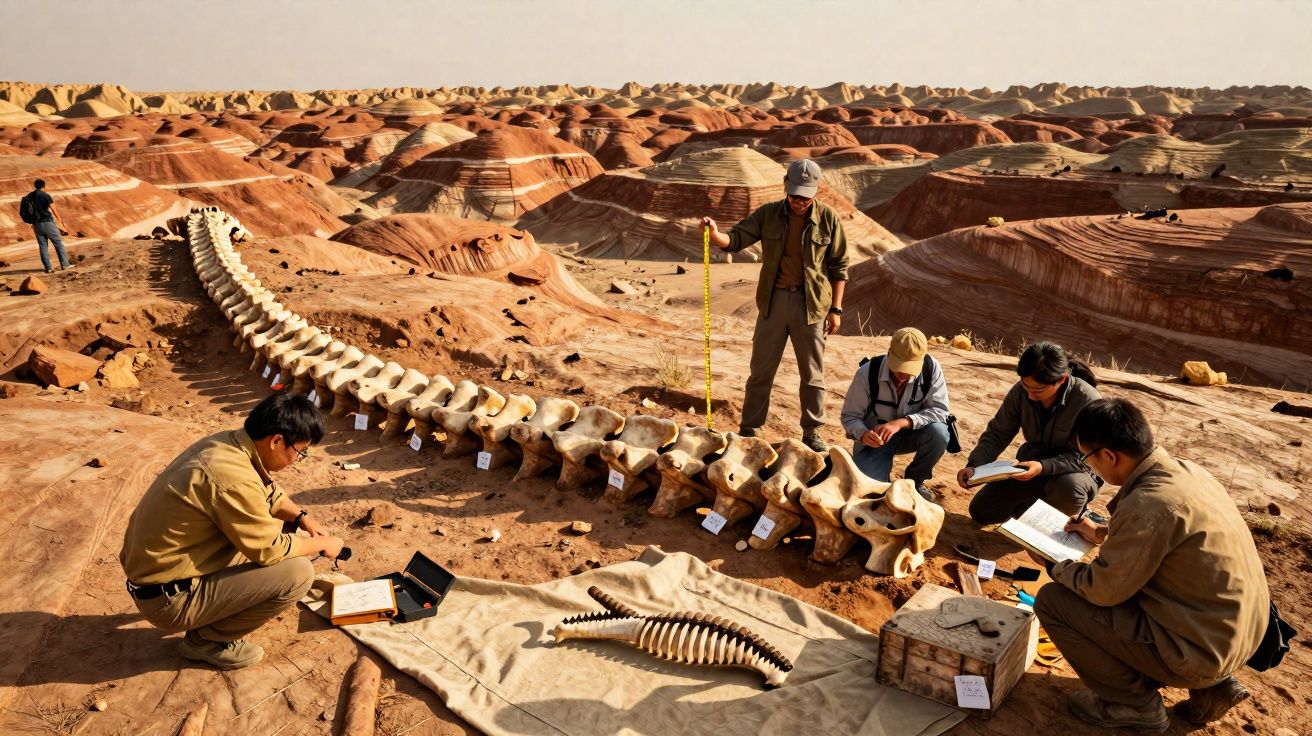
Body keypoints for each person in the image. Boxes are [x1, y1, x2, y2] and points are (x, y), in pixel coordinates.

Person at [1033, 398, 1270, 732]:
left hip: (1199, 651)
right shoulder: (1188, 472)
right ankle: (1215, 686)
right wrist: (1102, 531)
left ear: (1110, 456)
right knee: (1141, 584)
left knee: (1054, 602)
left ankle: (1136, 706)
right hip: (1240, 636)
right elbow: (1166, 536)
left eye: (1088, 459)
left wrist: (1056, 564)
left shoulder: (1147, 505)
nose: (1090, 468)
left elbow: (1102, 590)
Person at [120, 393, 345, 670]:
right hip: (167, 598)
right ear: (276, 441)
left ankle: (208, 616)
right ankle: (205, 641)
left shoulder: (229, 445)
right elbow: (269, 549)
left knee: (265, 549)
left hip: (156, 575)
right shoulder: (232, 477)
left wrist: (302, 518)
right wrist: (325, 544)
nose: (298, 459)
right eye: (300, 452)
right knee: (297, 573)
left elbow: (268, 492)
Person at [699, 159, 848, 453]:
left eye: (805, 195)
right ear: (785, 187)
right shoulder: (769, 214)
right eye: (794, 194)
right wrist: (716, 234)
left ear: (817, 191)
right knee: (761, 371)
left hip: (813, 305)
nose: (799, 201)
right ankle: (751, 427)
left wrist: (836, 309)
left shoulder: (829, 219)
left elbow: (839, 266)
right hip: (774, 302)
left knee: (813, 374)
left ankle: (812, 432)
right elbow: (737, 238)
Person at [958, 341, 1101, 524]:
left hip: (1074, 474)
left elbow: (1089, 458)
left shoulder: (1088, 400)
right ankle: (1034, 510)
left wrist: (1043, 467)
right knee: (981, 511)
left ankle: (1074, 515)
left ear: (1062, 380)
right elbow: (998, 433)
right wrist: (975, 466)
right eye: (1026, 386)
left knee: (1069, 487)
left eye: (1038, 390)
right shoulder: (1022, 391)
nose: (1030, 395)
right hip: (1032, 468)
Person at [839, 327, 949, 500]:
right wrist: (863, 434)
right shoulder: (867, 372)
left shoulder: (931, 369)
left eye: (910, 369)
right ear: (889, 353)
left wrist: (900, 423)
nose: (904, 374)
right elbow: (850, 416)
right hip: (876, 441)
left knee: (940, 433)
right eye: (899, 367)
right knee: (873, 493)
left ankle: (916, 481)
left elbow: (940, 411)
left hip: (913, 434)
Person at [20, 179, 72, 273]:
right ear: (44, 186)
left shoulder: (29, 196)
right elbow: (53, 209)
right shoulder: (45, 195)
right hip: (47, 222)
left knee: (43, 246)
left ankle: (48, 268)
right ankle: (65, 265)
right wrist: (60, 221)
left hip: (36, 224)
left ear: (35, 185)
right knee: (58, 243)